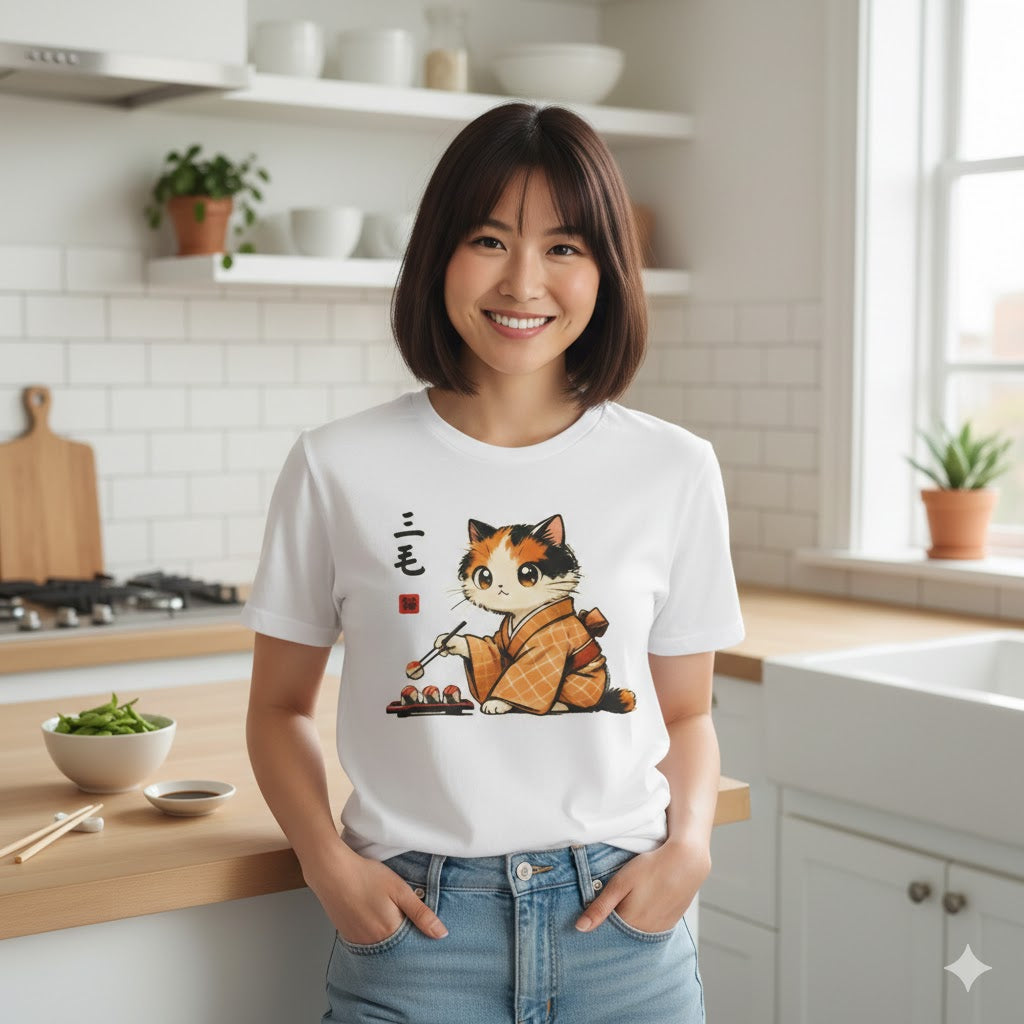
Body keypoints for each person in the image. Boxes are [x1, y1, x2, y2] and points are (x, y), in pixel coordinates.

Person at [242, 101, 745, 1024]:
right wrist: (327, 862)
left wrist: (692, 849)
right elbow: (277, 708)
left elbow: (688, 712)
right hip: (416, 930)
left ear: (607, 271)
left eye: (564, 247)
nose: (523, 281)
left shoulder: (674, 467)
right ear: (439, 253)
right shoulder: (336, 463)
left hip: (622, 928)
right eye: (488, 239)